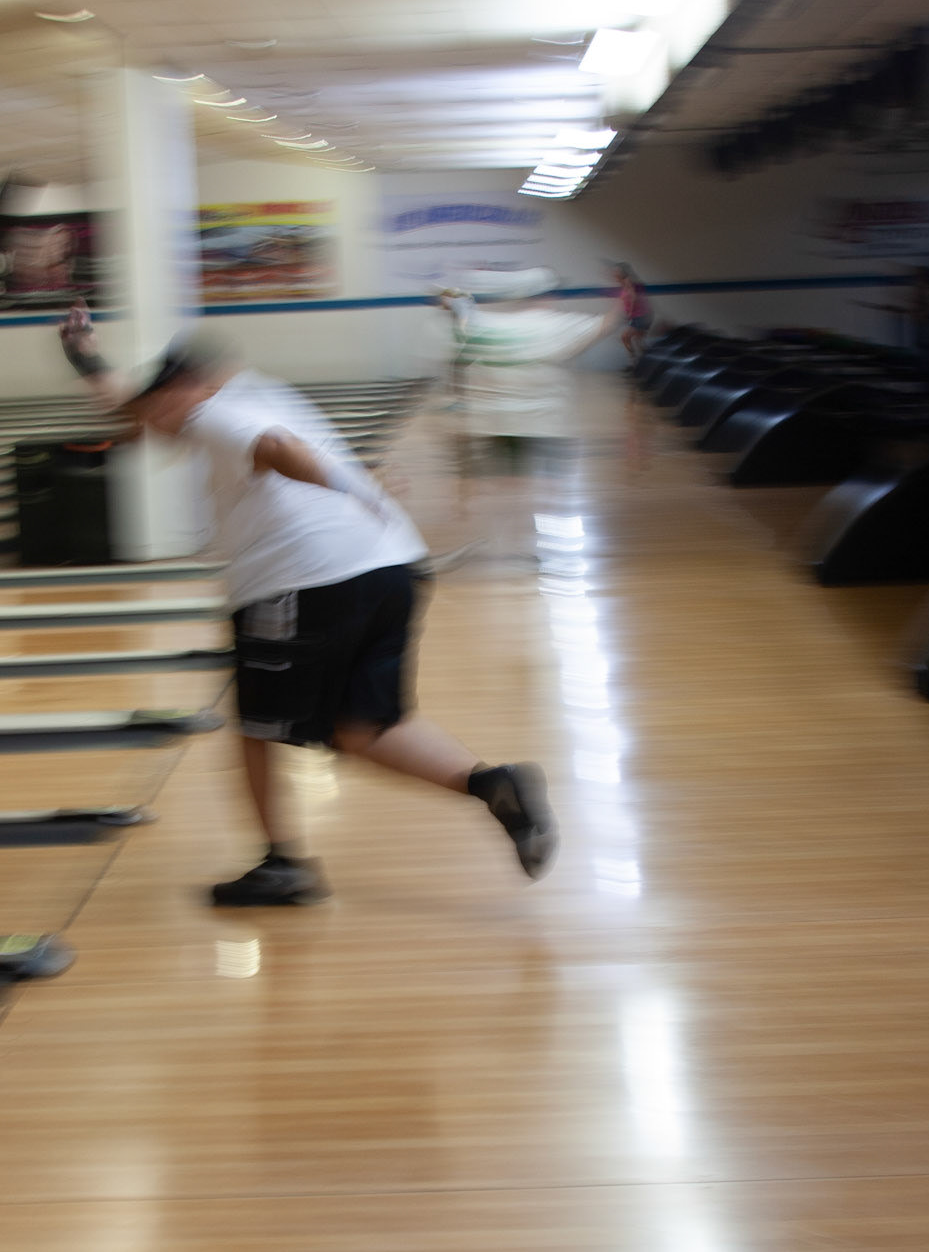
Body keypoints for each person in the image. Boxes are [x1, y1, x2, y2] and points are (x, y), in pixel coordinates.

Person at [59, 302, 558, 906]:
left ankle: (282, 865)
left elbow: (275, 446)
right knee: (368, 729)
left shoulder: (216, 413)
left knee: (256, 726)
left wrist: (351, 485)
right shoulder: (246, 393)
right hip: (390, 567)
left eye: (162, 400)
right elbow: (133, 407)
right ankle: (495, 785)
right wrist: (84, 355)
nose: (152, 418)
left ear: (190, 387)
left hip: (305, 581)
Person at [610, 263, 653, 363]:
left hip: (641, 316)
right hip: (641, 316)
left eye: (616, 272)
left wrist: (630, 313)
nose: (614, 275)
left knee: (625, 337)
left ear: (621, 273)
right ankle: (646, 361)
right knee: (638, 342)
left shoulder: (628, 281)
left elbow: (633, 297)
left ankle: (634, 362)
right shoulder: (625, 284)